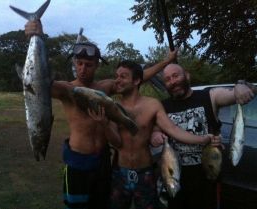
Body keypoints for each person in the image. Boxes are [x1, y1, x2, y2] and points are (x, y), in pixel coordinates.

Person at [24, 20, 178, 209]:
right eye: (79, 63)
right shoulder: (66, 89)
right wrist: (35, 36)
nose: (82, 68)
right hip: (78, 163)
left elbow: (138, 78)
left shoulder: (105, 87)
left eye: (88, 64)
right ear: (74, 63)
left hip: (104, 161)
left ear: (96, 65)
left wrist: (167, 61)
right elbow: (35, 81)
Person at [110, 60, 216, 209]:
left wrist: (202, 139)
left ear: (136, 80)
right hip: (120, 171)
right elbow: (115, 143)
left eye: (123, 76)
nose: (117, 80)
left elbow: (172, 129)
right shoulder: (113, 106)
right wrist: (104, 123)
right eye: (117, 76)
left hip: (145, 172)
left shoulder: (152, 104)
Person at [152, 63, 256, 209]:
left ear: (187, 75)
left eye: (176, 75)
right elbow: (155, 130)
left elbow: (236, 93)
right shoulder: (162, 106)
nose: (172, 81)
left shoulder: (210, 96)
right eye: (167, 79)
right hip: (176, 178)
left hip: (207, 177)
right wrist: (155, 135)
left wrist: (240, 85)